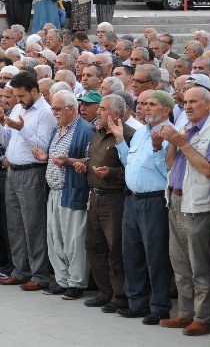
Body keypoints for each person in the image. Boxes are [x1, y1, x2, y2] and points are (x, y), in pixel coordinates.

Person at [159, 86, 210, 336]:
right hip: (175, 199)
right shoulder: (186, 127)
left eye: (194, 101)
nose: (188, 106)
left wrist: (182, 143)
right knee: (179, 263)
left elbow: (209, 170)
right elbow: (171, 163)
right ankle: (185, 314)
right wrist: (173, 143)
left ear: (208, 104)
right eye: (185, 101)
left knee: (199, 267)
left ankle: (203, 318)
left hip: (198, 206)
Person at [112, 90, 174, 325]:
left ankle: (159, 306)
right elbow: (129, 161)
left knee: (155, 255)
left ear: (166, 110)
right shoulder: (139, 133)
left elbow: (167, 172)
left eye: (152, 104)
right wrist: (119, 140)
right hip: (132, 199)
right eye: (143, 103)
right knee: (132, 252)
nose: (145, 108)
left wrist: (159, 149)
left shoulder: (169, 134)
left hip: (154, 201)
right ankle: (136, 303)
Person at [0, 70, 56, 290]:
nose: (17, 101)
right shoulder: (20, 108)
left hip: (32, 172)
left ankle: (39, 275)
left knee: (33, 226)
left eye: (21, 96)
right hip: (13, 172)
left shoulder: (46, 113)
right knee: (15, 225)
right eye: (15, 97)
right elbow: (10, 139)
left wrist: (22, 128)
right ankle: (20, 270)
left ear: (35, 91)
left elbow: (42, 146)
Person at [78, 94, 135, 312]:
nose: (98, 112)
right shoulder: (97, 134)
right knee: (94, 246)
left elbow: (132, 170)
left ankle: (120, 296)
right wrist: (85, 167)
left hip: (115, 199)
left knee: (115, 249)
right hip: (94, 196)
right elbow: (92, 160)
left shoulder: (129, 136)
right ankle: (104, 292)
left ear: (116, 114)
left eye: (102, 109)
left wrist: (111, 173)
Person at [34, 90, 94, 299]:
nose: (54, 113)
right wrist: (46, 156)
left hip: (73, 191)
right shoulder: (59, 129)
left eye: (57, 109)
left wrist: (69, 161)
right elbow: (55, 156)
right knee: (55, 238)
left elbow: (91, 162)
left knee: (73, 240)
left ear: (71, 108)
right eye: (53, 109)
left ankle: (76, 283)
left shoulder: (86, 130)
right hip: (54, 191)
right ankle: (62, 279)